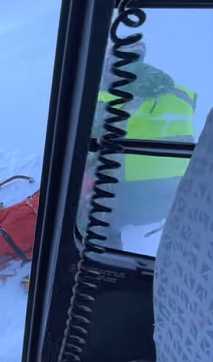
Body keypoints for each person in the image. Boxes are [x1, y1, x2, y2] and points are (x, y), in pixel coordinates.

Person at [79, 40, 196, 248]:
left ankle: (100, 256)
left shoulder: (106, 101)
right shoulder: (183, 96)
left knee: (83, 199)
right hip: (173, 199)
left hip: (128, 200)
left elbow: (84, 153)